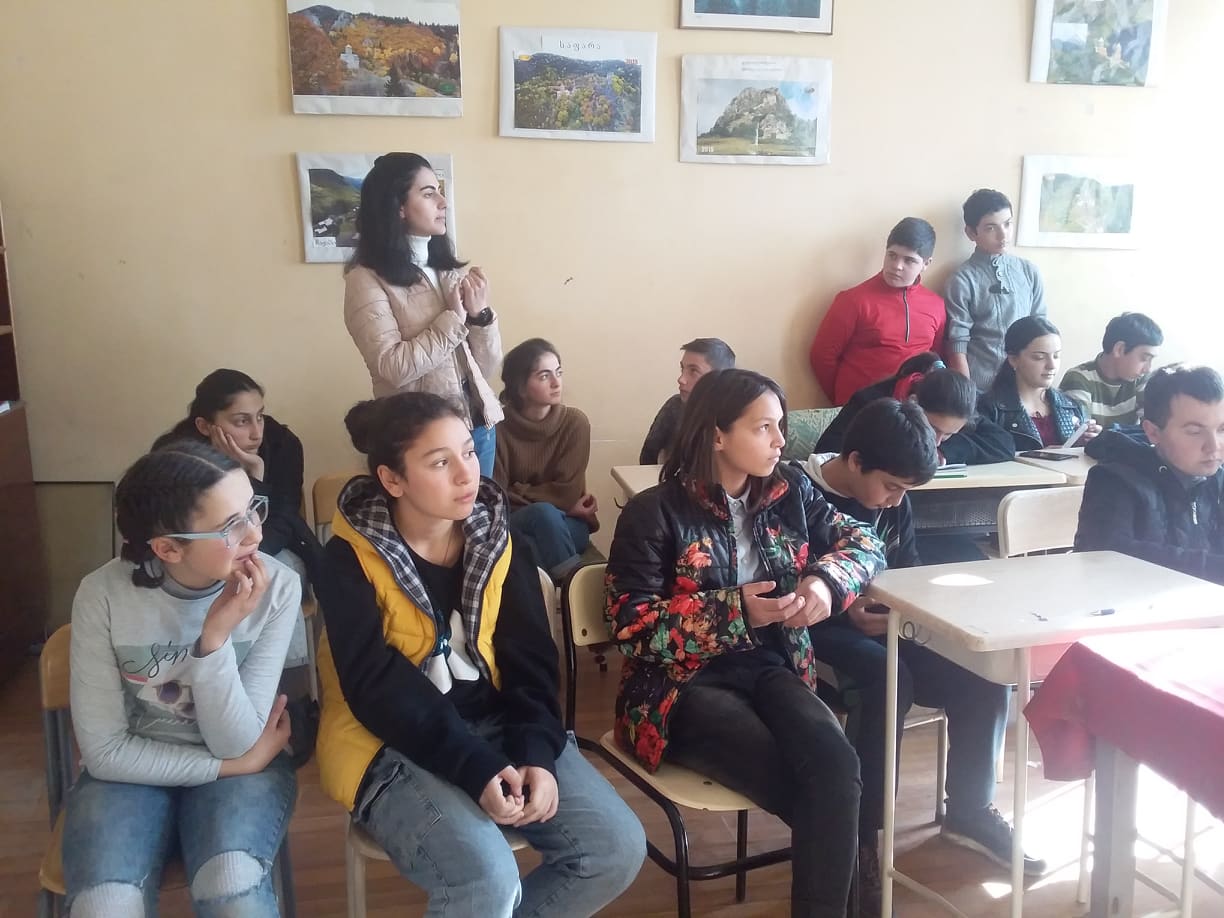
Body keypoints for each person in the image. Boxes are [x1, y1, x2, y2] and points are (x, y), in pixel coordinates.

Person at [313, 392, 644, 917]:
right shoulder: (345, 559)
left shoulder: (500, 542)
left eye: (469, 452)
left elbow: (531, 663)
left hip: (498, 722)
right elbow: (374, 687)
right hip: (388, 739)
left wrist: (536, 754)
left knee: (614, 850)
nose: (467, 473)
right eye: (439, 462)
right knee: (486, 879)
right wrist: (474, 765)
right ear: (392, 480)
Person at [606, 368, 886, 917]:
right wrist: (735, 611)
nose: (781, 440)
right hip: (678, 685)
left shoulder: (790, 491)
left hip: (768, 664)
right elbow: (629, 624)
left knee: (836, 765)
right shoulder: (653, 511)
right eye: (764, 427)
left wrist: (825, 581)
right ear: (717, 435)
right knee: (817, 788)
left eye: (780, 425)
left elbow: (865, 540)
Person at [798, 399, 1043, 911]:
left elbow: (906, 570)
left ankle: (970, 809)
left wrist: (898, 609)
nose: (895, 501)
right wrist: (846, 611)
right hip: (816, 636)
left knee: (980, 666)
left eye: (906, 491)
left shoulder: (894, 498)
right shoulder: (798, 493)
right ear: (855, 461)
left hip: (889, 627)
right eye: (891, 487)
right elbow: (784, 584)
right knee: (887, 681)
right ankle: (861, 838)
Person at [64, 441, 300, 917]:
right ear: (168, 548)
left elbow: (234, 741)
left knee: (232, 886)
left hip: (234, 759)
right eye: (232, 526)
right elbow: (105, 754)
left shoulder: (277, 586)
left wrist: (214, 639)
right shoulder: (101, 595)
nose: (256, 532)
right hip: (131, 774)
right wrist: (235, 767)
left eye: (253, 509)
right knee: (104, 905)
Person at [343, 152, 503, 476]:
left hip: (478, 427)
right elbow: (394, 368)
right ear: (398, 207)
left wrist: (480, 316)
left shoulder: (446, 271)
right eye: (429, 194)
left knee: (479, 510)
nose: (443, 202)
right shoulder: (365, 280)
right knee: (432, 513)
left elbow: (486, 368)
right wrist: (453, 320)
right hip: (421, 437)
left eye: (439, 192)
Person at [154, 368, 322, 669]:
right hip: (199, 552)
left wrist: (255, 476)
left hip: (270, 547)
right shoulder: (174, 455)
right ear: (205, 426)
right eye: (241, 421)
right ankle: (192, 664)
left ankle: (277, 677)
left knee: (274, 571)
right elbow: (177, 528)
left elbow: (279, 524)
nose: (256, 432)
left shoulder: (282, 445)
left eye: (260, 416)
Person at [1076, 365, 1224, 581]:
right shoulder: (1114, 481)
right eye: (1194, 431)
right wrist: (1214, 568)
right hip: (1134, 599)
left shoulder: (1217, 479)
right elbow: (1105, 558)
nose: (1214, 446)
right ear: (1153, 432)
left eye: (1222, 429)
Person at [809, 218, 946, 406]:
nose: (897, 265)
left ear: (926, 263)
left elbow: (935, 358)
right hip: (861, 408)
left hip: (912, 410)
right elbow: (822, 356)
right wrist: (844, 402)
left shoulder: (936, 305)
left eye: (909, 260)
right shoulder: (853, 300)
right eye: (892, 255)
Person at [494, 338, 599, 582]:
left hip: (569, 525)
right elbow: (497, 496)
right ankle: (573, 589)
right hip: (516, 523)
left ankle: (564, 588)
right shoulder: (496, 428)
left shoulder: (575, 424)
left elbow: (567, 493)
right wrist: (556, 503)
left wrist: (518, 491)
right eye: (544, 376)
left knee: (531, 543)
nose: (556, 382)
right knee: (541, 515)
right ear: (520, 387)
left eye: (558, 373)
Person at [815, 352, 1014, 465]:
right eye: (933, 428)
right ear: (913, 402)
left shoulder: (957, 405)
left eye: (948, 435)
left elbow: (1004, 443)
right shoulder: (868, 402)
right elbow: (826, 453)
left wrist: (943, 453)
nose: (936, 441)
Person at [944, 189, 1048, 390]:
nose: (1003, 235)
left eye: (1007, 224)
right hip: (980, 387)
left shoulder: (1029, 272)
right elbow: (958, 344)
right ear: (971, 233)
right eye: (991, 228)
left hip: (1024, 384)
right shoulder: (962, 280)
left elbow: (1041, 331)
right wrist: (967, 397)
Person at [979, 317, 1099, 451]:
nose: (1051, 365)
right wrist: (1039, 455)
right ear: (1013, 359)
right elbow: (986, 455)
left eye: (1056, 356)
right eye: (1039, 357)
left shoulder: (1071, 407)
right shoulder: (990, 409)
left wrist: (1084, 444)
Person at [639, 337, 736, 464]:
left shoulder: (737, 415)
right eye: (682, 369)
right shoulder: (675, 406)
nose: (681, 379)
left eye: (693, 371)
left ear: (720, 378)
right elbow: (648, 456)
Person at [1060, 312, 1163, 427]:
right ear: (1119, 349)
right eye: (1144, 358)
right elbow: (1079, 431)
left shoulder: (1141, 379)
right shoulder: (1079, 379)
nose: (1148, 369)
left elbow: (1153, 427)